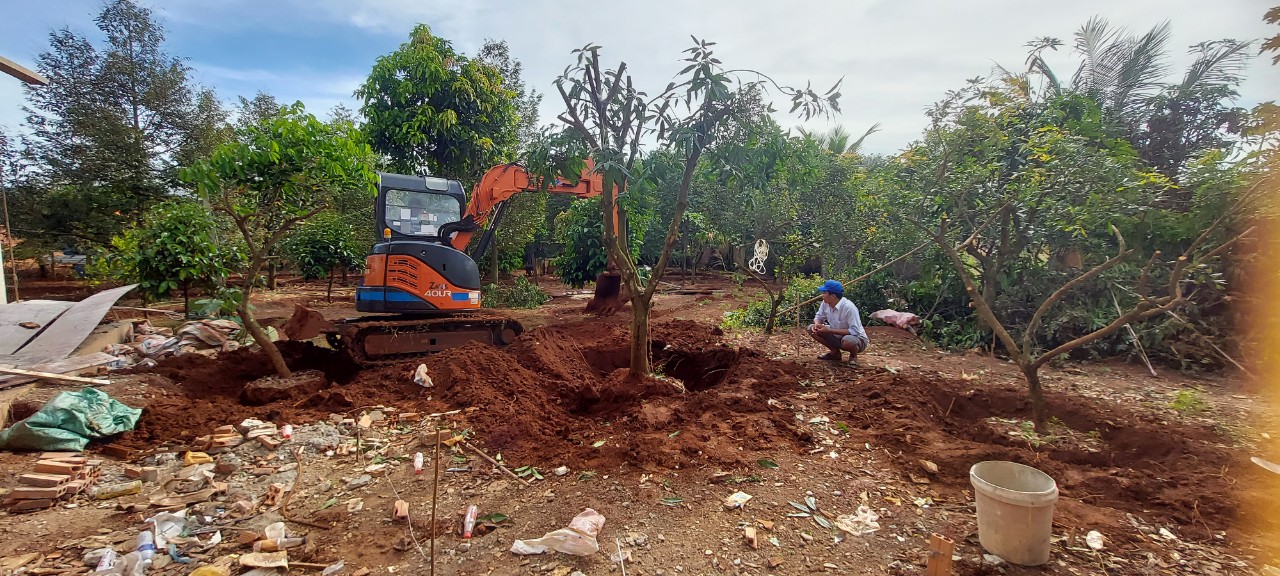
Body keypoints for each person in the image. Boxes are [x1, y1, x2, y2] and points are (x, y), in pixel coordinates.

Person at [807, 279, 869, 366]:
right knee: (811, 328)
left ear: (833, 296)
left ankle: (853, 356)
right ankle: (835, 353)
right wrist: (817, 324)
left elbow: (854, 331)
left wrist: (829, 331)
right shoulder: (825, 304)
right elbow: (819, 317)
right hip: (837, 335)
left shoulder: (849, 307)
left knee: (848, 340)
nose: (822, 295)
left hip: (857, 339)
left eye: (825, 293)